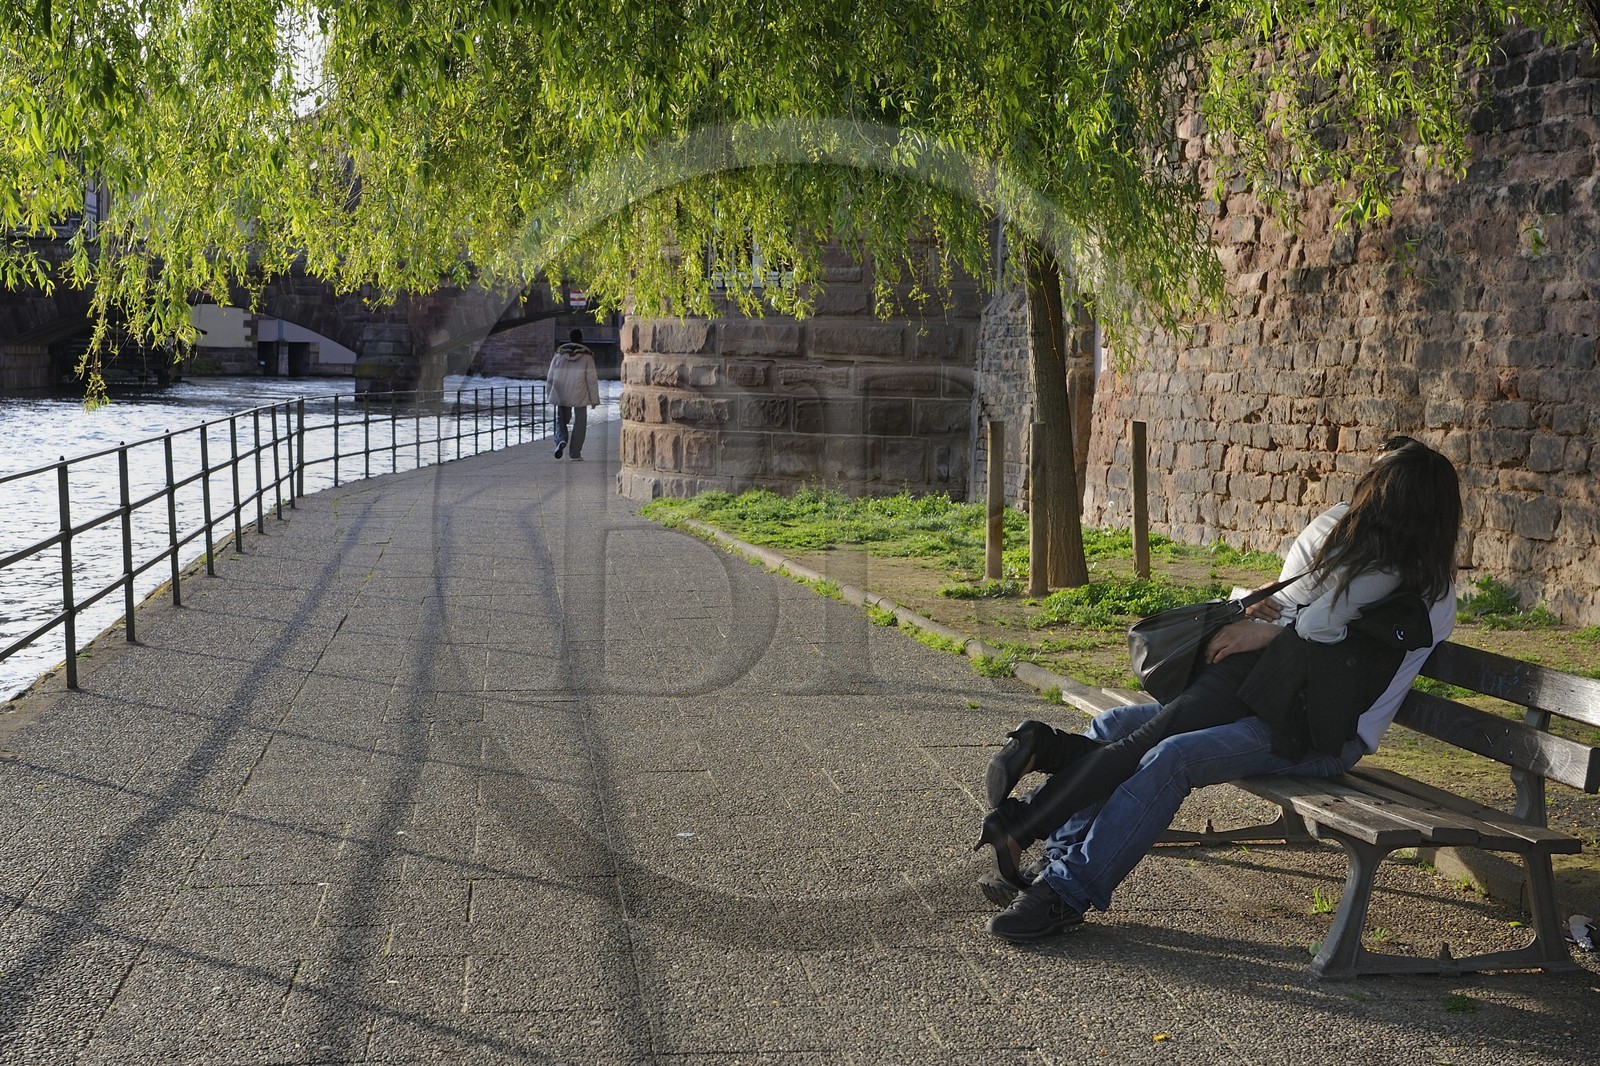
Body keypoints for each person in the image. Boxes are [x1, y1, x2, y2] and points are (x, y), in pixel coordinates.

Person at [975, 436, 1462, 942]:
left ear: (1411, 514)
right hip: (1269, 698)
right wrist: (1262, 612)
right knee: (1114, 725)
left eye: (1379, 499)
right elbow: (1301, 604)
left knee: (1172, 756)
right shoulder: (1372, 559)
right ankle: (1058, 859)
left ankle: (1066, 892)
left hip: (1323, 736)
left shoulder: (1425, 594)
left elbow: (1328, 639)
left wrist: (1273, 629)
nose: (1363, 507)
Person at [548, 328, 600, 460]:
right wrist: (594, 400)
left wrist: (549, 393)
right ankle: (575, 454)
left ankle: (561, 439)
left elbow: (550, 376)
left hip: (561, 393)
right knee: (580, 422)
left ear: (569, 338)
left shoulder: (559, 355)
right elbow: (592, 380)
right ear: (581, 339)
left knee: (561, 420)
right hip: (580, 394)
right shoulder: (587, 357)